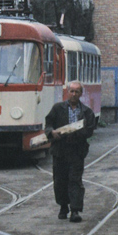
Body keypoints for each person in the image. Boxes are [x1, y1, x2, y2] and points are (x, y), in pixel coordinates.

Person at [44, 81, 96, 222]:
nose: (73, 94)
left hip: (76, 151)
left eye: (76, 92)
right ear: (67, 92)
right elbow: (48, 124)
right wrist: (52, 133)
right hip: (59, 151)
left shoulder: (86, 112)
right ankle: (63, 206)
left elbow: (89, 130)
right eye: (71, 91)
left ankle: (75, 210)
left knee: (75, 180)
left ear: (81, 93)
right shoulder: (57, 108)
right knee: (60, 180)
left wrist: (76, 133)